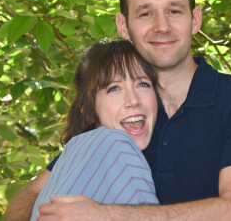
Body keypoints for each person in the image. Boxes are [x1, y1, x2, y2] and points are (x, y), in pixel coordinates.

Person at [3, 0, 231, 221]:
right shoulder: (122, 117)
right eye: (146, 13)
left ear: (195, 20)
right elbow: (30, 194)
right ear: (123, 26)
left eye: (174, 11)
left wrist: (106, 215)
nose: (162, 26)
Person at [29, 40, 160, 220]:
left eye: (143, 84)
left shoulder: (73, 153)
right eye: (114, 88)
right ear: (89, 112)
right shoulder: (116, 143)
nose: (133, 100)